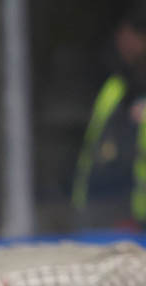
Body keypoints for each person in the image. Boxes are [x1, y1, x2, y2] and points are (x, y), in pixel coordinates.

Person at [72, 1, 146, 230]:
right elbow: (95, 152)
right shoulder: (116, 86)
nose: (121, 41)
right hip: (103, 216)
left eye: (128, 34)